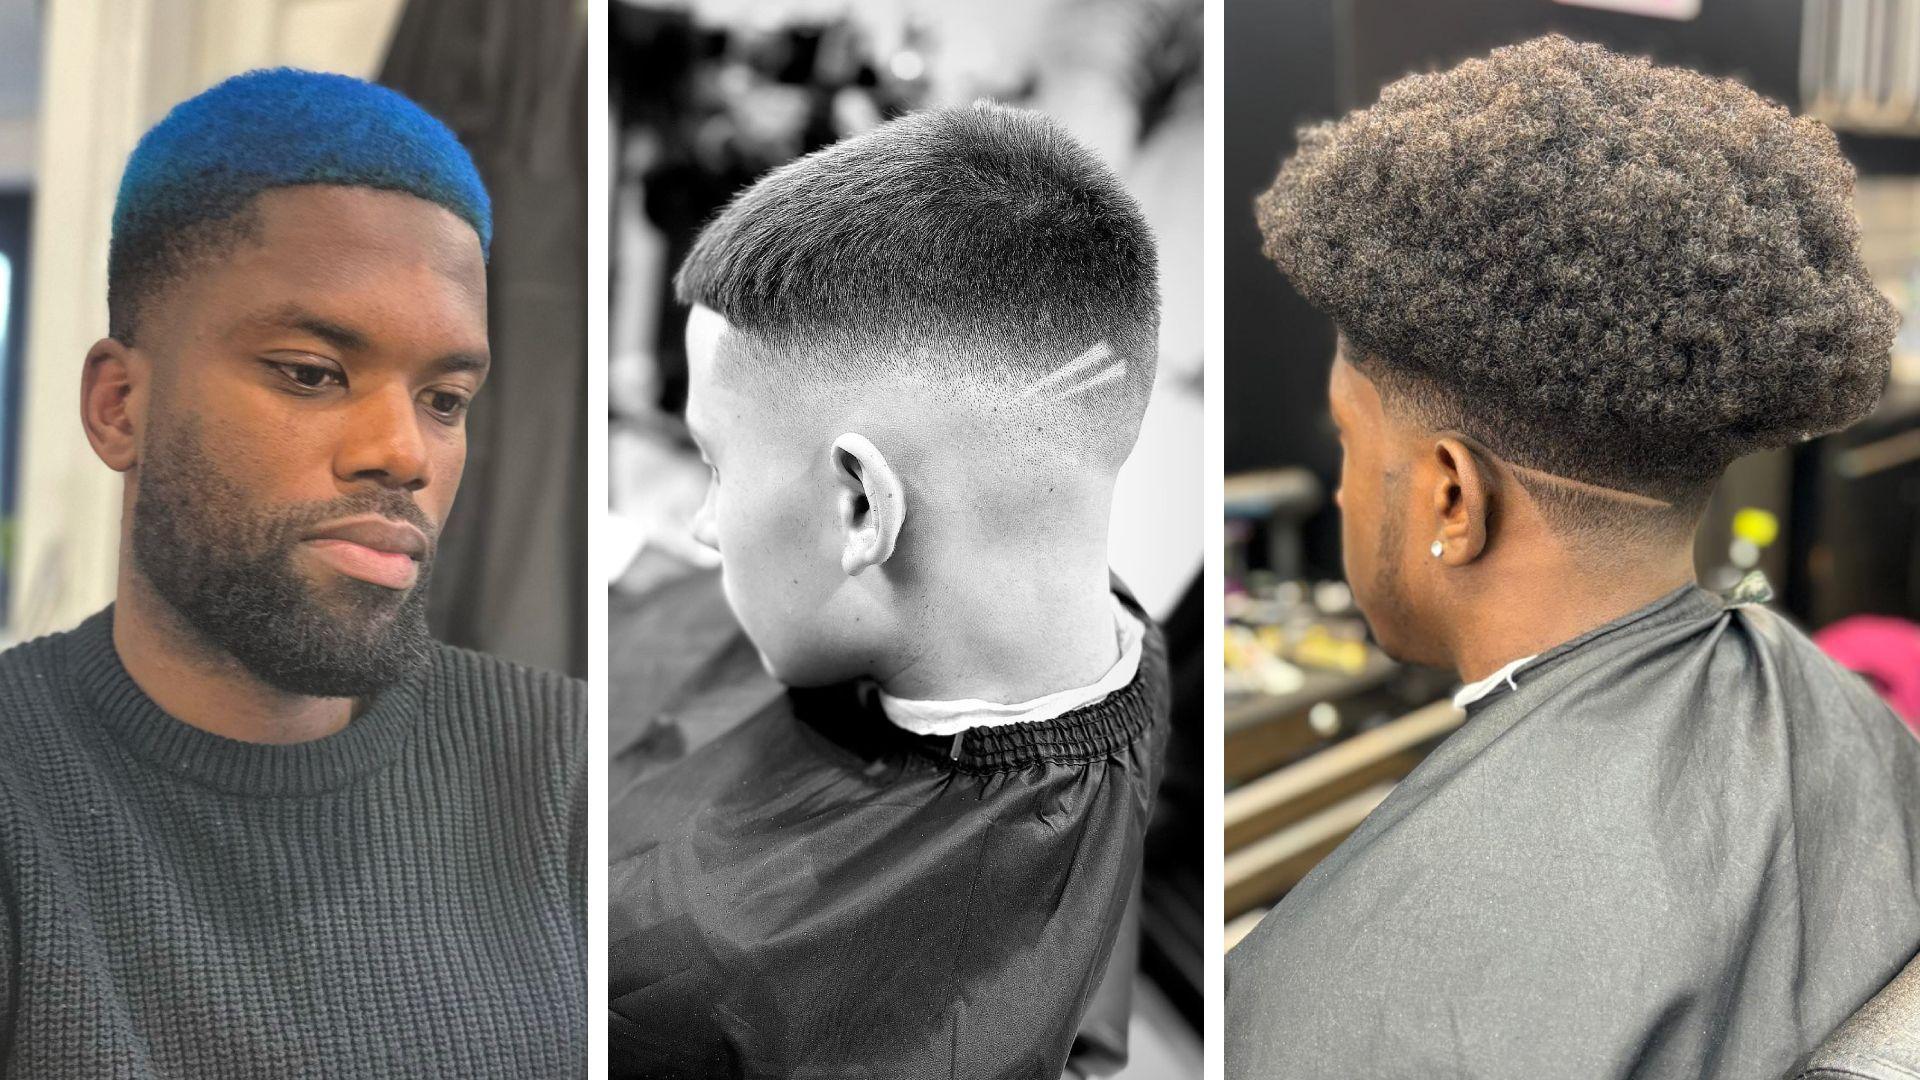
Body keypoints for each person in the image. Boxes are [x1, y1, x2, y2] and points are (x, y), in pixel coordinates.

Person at [1226, 36, 1920, 1079]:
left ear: (1452, 498)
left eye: (1346, 440)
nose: (1336, 484)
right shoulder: (1855, 719)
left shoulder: (1330, 1002)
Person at [0, 69, 585, 1076]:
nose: (403, 452)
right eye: (312, 373)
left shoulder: (566, 771)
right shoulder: (22, 792)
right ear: (118, 407)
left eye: (445, 399)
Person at [607, 102, 1168, 1077]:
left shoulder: (678, 966)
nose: (703, 522)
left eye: (712, 463)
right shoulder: (1111, 635)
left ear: (863, 509)